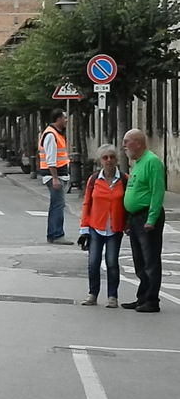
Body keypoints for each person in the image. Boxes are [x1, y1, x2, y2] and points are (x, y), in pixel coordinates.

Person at [121, 129, 166, 313]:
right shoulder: (137, 163)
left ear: (138, 143)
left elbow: (157, 191)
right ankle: (142, 297)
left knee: (150, 260)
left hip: (147, 216)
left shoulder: (152, 162)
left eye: (127, 141)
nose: (124, 145)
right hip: (136, 217)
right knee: (139, 261)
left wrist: (152, 218)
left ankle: (151, 300)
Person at [78, 144, 127, 308]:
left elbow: (128, 203)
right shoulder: (93, 180)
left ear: (117, 159)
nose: (109, 160)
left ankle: (113, 297)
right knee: (93, 262)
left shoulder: (124, 179)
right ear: (100, 161)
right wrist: (84, 228)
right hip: (95, 227)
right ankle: (93, 294)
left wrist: (129, 224)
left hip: (115, 228)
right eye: (105, 157)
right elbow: (87, 204)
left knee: (112, 262)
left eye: (112, 157)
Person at [38, 109, 73, 245]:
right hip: (54, 175)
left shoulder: (55, 133)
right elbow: (51, 158)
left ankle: (52, 234)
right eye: (64, 118)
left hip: (57, 175)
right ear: (58, 119)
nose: (66, 120)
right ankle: (57, 234)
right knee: (58, 205)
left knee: (55, 205)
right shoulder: (51, 135)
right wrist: (55, 178)